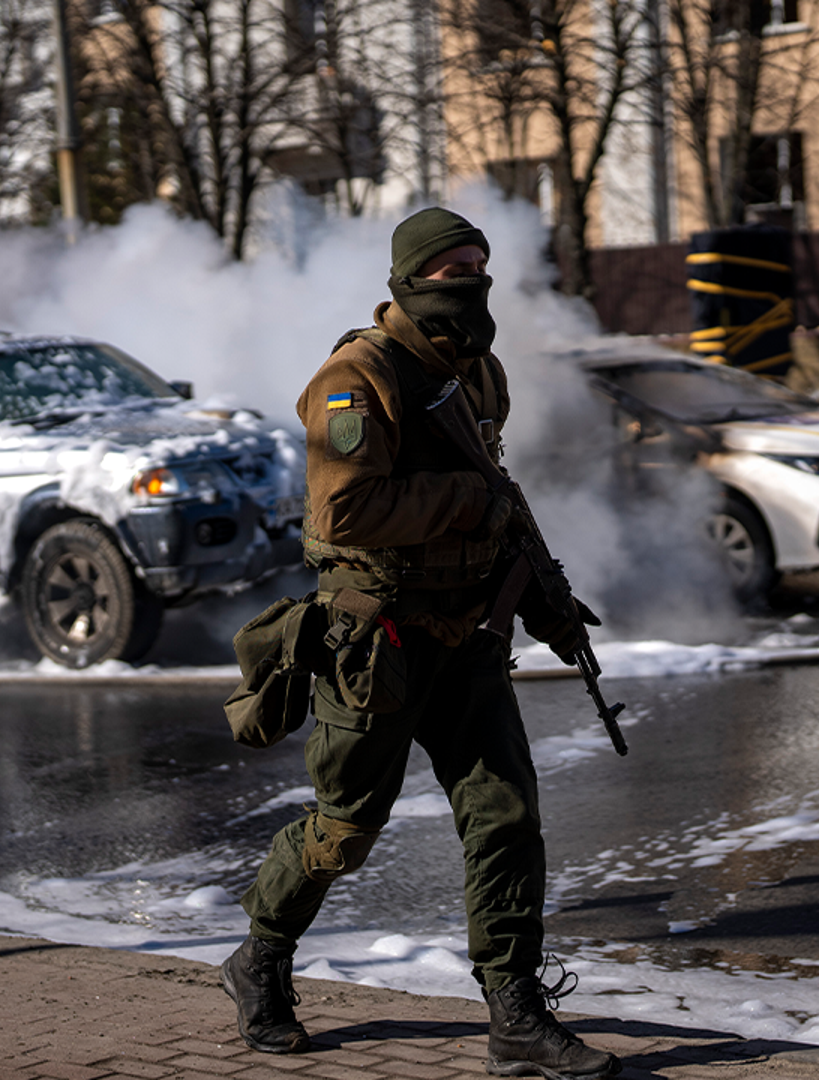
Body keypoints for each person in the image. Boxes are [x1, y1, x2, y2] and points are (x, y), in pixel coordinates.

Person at [221, 208, 619, 1079]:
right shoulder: (356, 378)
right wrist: (466, 504)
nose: (471, 279)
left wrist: (546, 604)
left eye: (480, 263)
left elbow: (498, 496)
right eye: (451, 267)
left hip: (469, 634)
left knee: (506, 818)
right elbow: (344, 513)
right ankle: (259, 958)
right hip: (380, 641)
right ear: (408, 278)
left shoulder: (479, 374)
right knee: (345, 828)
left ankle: (515, 1012)